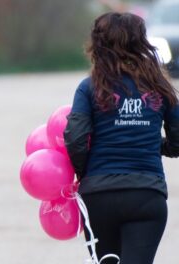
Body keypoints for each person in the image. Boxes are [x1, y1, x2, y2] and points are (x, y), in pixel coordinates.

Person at [64, 12, 179, 264]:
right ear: (141, 43)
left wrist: (87, 173)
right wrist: (151, 144)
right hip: (147, 197)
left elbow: (75, 138)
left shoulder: (89, 87)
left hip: (98, 197)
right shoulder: (160, 86)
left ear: (98, 44)